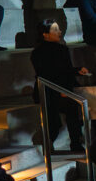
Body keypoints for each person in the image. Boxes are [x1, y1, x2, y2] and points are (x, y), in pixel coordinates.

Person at [31, 20, 88, 152]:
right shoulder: (37, 53)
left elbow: (65, 70)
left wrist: (77, 70)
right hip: (48, 90)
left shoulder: (63, 49)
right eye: (55, 30)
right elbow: (46, 74)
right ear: (45, 34)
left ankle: (77, 142)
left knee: (81, 102)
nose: (60, 32)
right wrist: (62, 90)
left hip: (63, 87)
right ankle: (66, 141)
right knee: (68, 107)